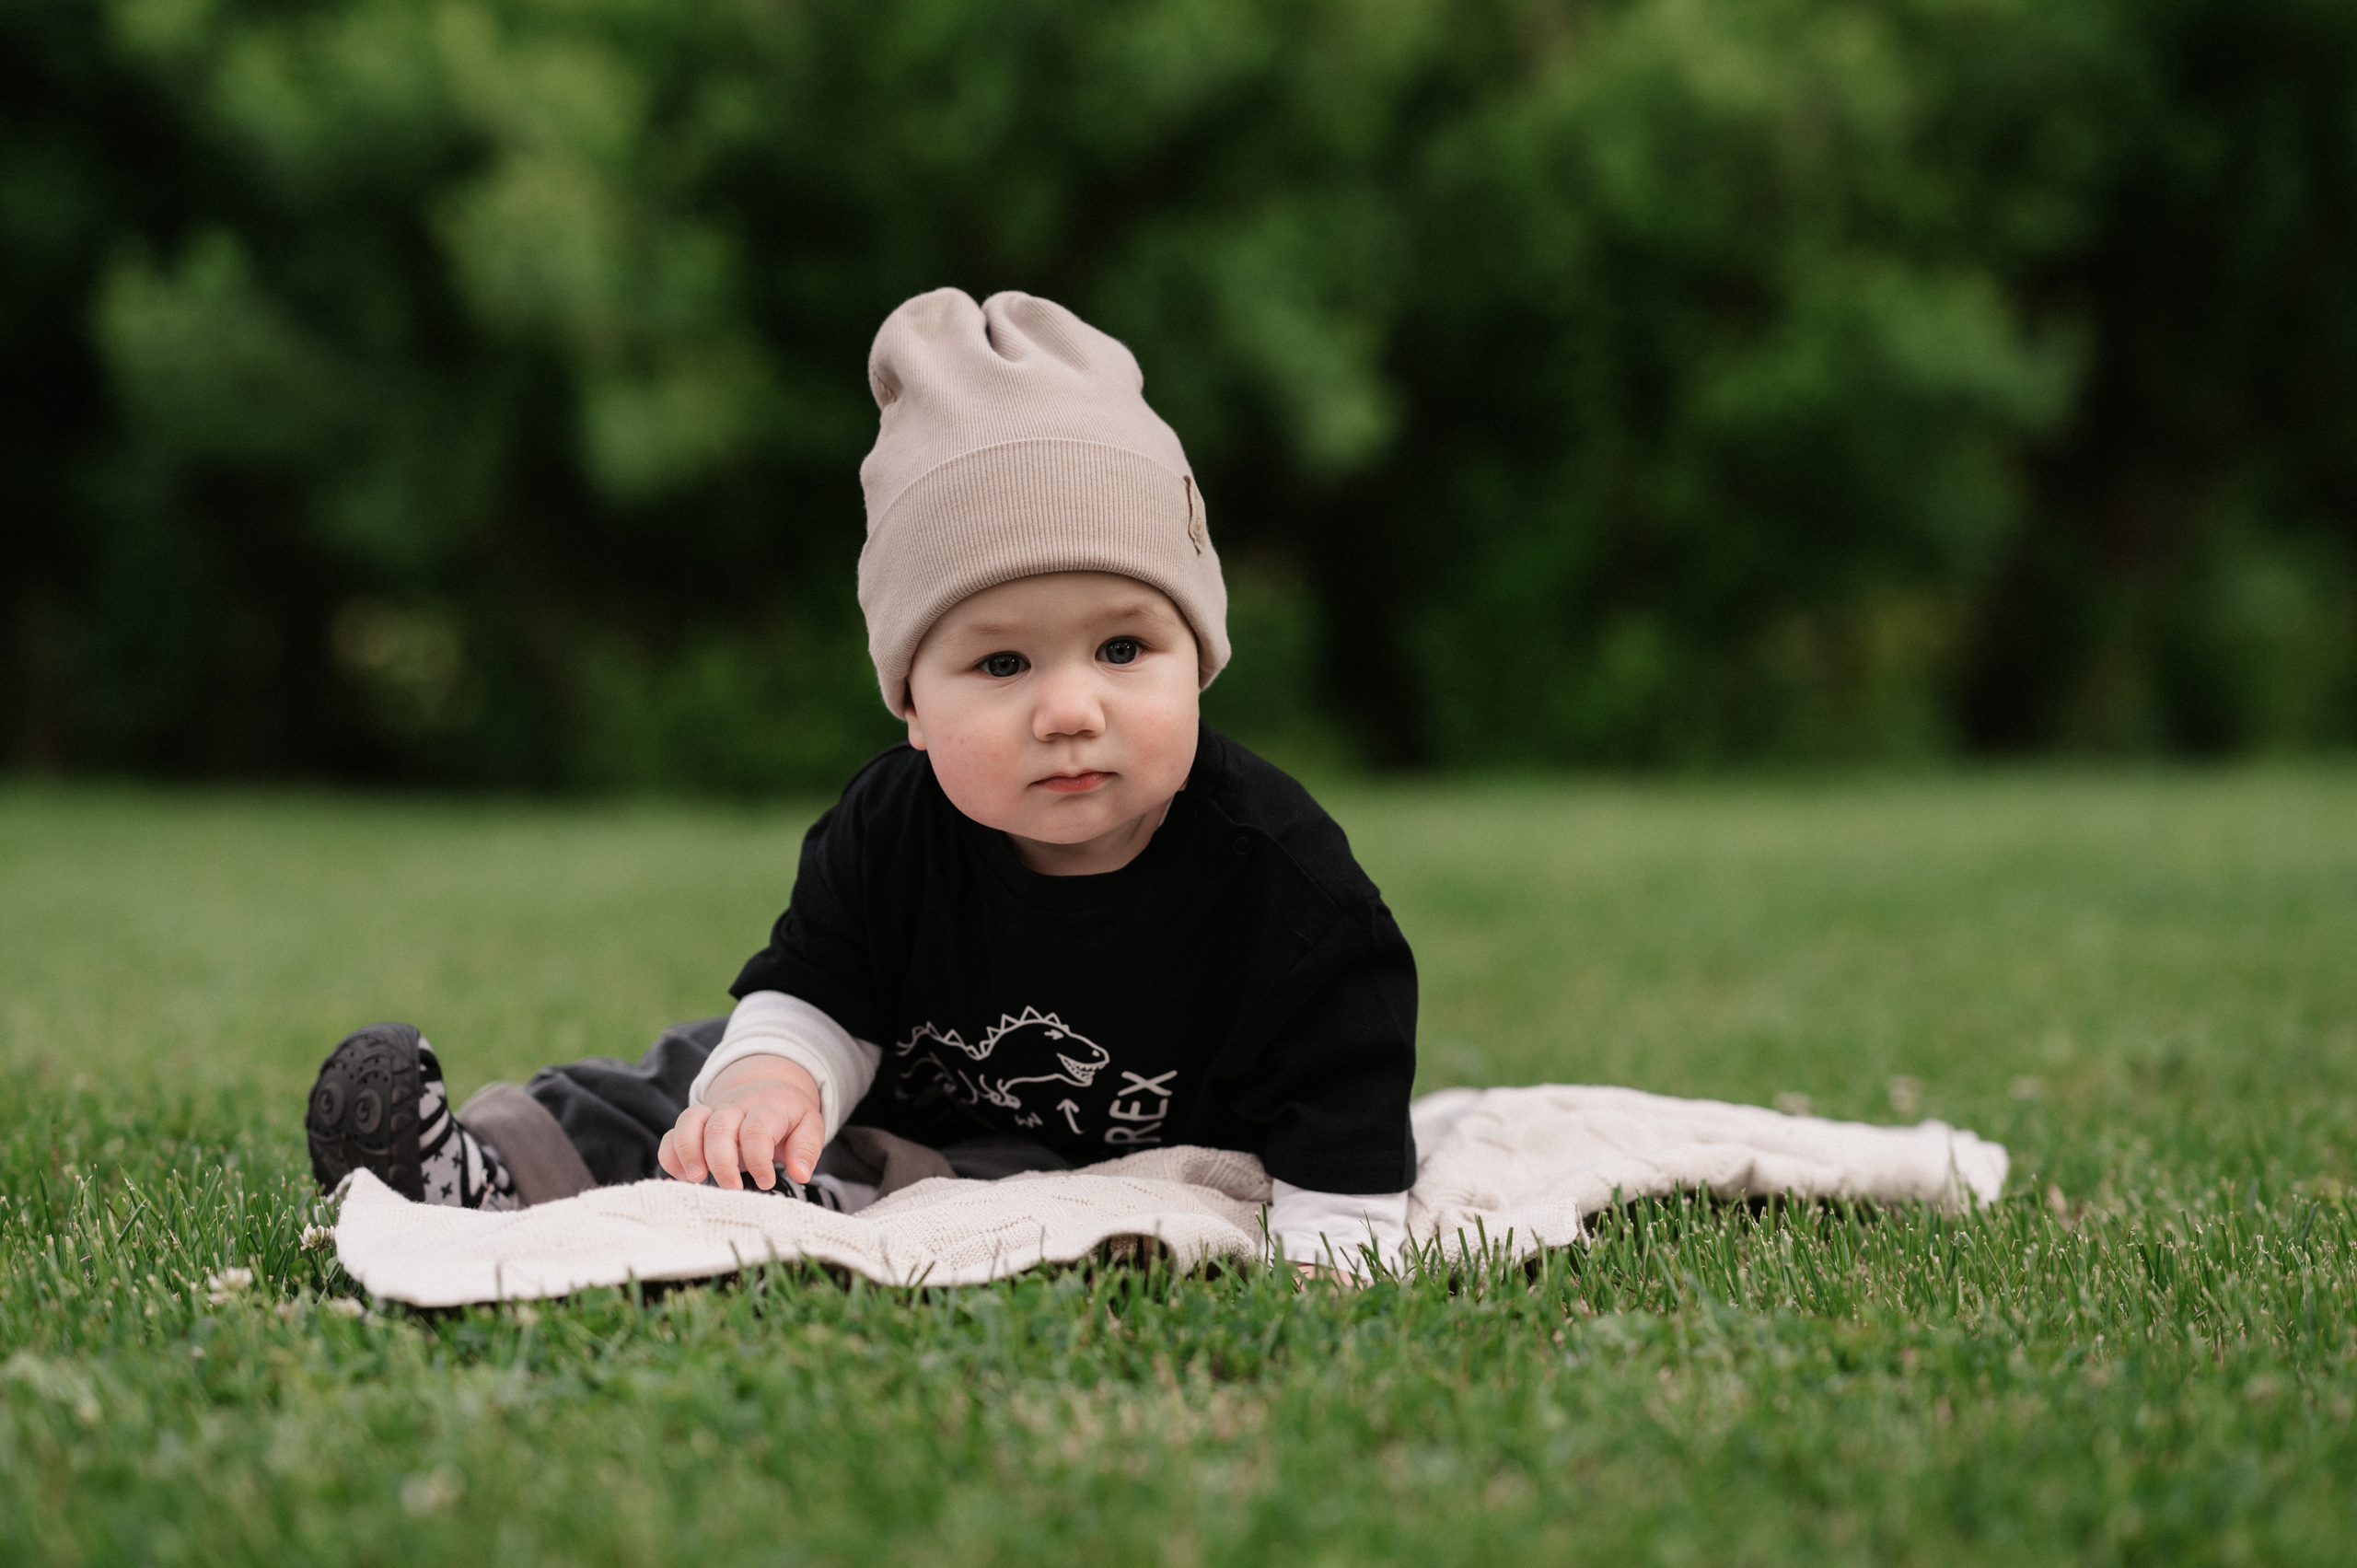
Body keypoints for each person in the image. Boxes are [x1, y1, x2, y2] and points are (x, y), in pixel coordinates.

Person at [304, 289, 1419, 1275]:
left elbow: (1343, 1048)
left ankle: (803, 1205)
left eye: (1124, 649)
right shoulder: (892, 829)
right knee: (702, 1073)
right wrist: (772, 1077)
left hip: (1099, 1150)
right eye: (1000, 662)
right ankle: (487, 1167)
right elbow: (819, 987)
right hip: (884, 1091)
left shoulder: (1274, 873)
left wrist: (1341, 1234)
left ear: (1203, 655)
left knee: (937, 1177)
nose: (1071, 708)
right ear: (911, 704)